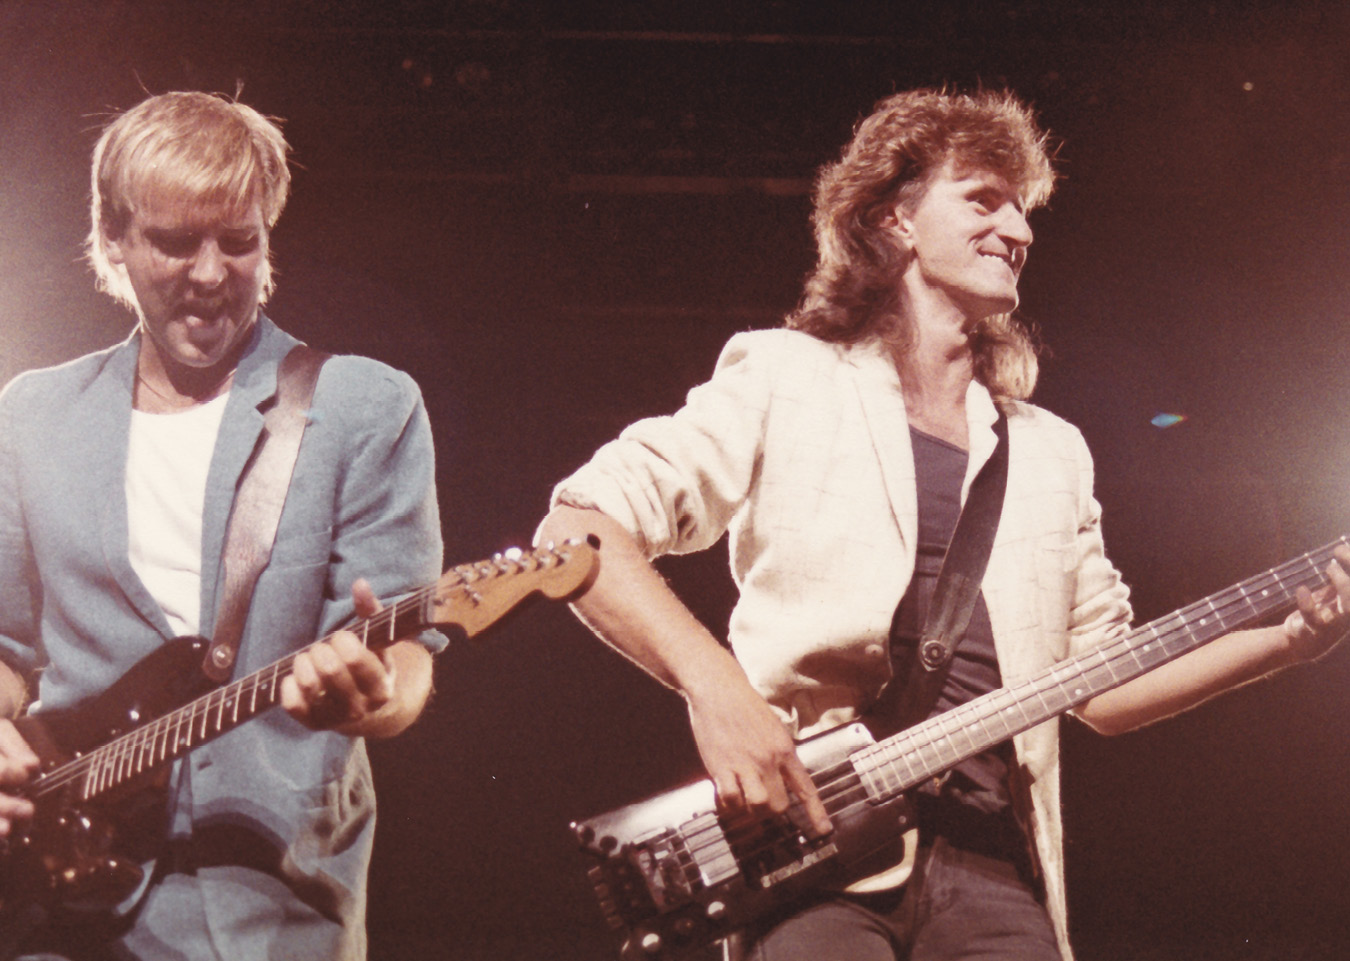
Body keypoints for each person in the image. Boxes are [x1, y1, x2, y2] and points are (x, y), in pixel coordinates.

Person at [536, 88, 1350, 961]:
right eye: (983, 197)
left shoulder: (1053, 452)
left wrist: (1289, 642)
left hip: (995, 870)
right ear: (895, 218)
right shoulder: (784, 377)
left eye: (1024, 209)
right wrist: (717, 690)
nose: (1021, 229)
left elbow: (1101, 689)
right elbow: (576, 526)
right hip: (818, 865)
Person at [0, 92, 443, 960]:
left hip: (275, 906)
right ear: (114, 241)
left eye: (238, 240)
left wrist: (374, 695)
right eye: (173, 241)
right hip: (58, 904)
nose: (210, 272)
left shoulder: (363, 405)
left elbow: (410, 651)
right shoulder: (30, 415)